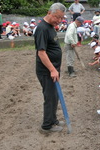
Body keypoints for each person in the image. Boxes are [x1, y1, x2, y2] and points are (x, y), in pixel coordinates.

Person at [34, 3, 66, 133]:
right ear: (49, 13)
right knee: (50, 97)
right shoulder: (42, 28)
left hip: (53, 69)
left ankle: (53, 120)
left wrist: (55, 69)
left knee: (55, 95)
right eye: (56, 17)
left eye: (61, 18)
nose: (58, 20)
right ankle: (47, 126)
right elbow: (41, 53)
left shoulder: (51, 26)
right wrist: (52, 70)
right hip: (47, 71)